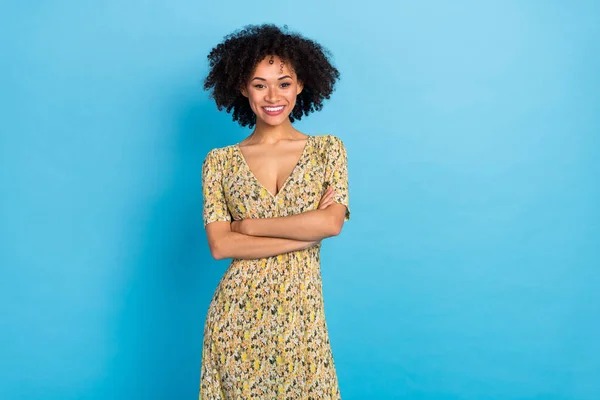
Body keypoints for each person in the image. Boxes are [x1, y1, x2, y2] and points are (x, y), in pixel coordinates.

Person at [199, 23, 350, 399]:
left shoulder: (327, 150)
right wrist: (304, 232)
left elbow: (330, 223)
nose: (272, 95)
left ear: (300, 85)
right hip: (236, 321)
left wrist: (248, 226)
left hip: (303, 322)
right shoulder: (219, 162)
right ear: (242, 87)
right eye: (259, 83)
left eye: (283, 83)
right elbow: (220, 246)